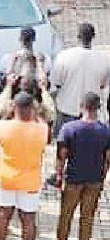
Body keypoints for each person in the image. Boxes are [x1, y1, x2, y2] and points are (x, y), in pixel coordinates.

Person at [0, 92, 48, 240]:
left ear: (13, 107)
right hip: (30, 181)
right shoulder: (42, 129)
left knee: (3, 215)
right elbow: (41, 122)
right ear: (32, 108)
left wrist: (7, 113)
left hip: (6, 178)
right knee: (28, 219)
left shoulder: (2, 127)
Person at [55, 92, 110, 240]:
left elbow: (62, 155)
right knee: (87, 218)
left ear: (81, 106)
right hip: (94, 180)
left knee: (65, 216)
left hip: (73, 178)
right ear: (98, 108)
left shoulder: (69, 128)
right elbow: (107, 159)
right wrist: (102, 178)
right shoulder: (105, 131)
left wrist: (59, 175)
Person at [50, 23, 110, 136]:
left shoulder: (64, 56)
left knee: (65, 148)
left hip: (67, 110)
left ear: (78, 36)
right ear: (93, 36)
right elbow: (103, 84)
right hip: (91, 114)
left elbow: (56, 83)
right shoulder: (104, 60)